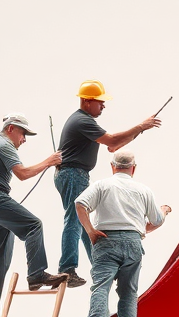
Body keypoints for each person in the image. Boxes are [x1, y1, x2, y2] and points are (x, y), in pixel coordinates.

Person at [0, 113, 68, 317]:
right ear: (11, 129)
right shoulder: (4, 145)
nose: (24, 139)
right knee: (33, 225)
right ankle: (37, 275)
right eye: (23, 133)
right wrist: (50, 161)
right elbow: (22, 173)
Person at [55, 80, 162, 288]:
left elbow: (113, 145)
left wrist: (139, 131)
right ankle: (67, 268)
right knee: (75, 217)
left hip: (74, 174)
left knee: (86, 222)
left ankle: (98, 263)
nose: (103, 106)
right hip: (73, 174)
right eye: (100, 102)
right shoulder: (83, 121)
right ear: (87, 102)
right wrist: (141, 126)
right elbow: (113, 142)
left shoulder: (84, 121)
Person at [75, 150, 170, 317]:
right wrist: (164, 210)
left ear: (112, 166)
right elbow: (157, 221)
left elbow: (80, 203)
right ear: (133, 168)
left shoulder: (102, 185)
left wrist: (90, 231)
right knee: (128, 291)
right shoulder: (143, 190)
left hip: (105, 241)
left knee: (101, 286)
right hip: (133, 242)